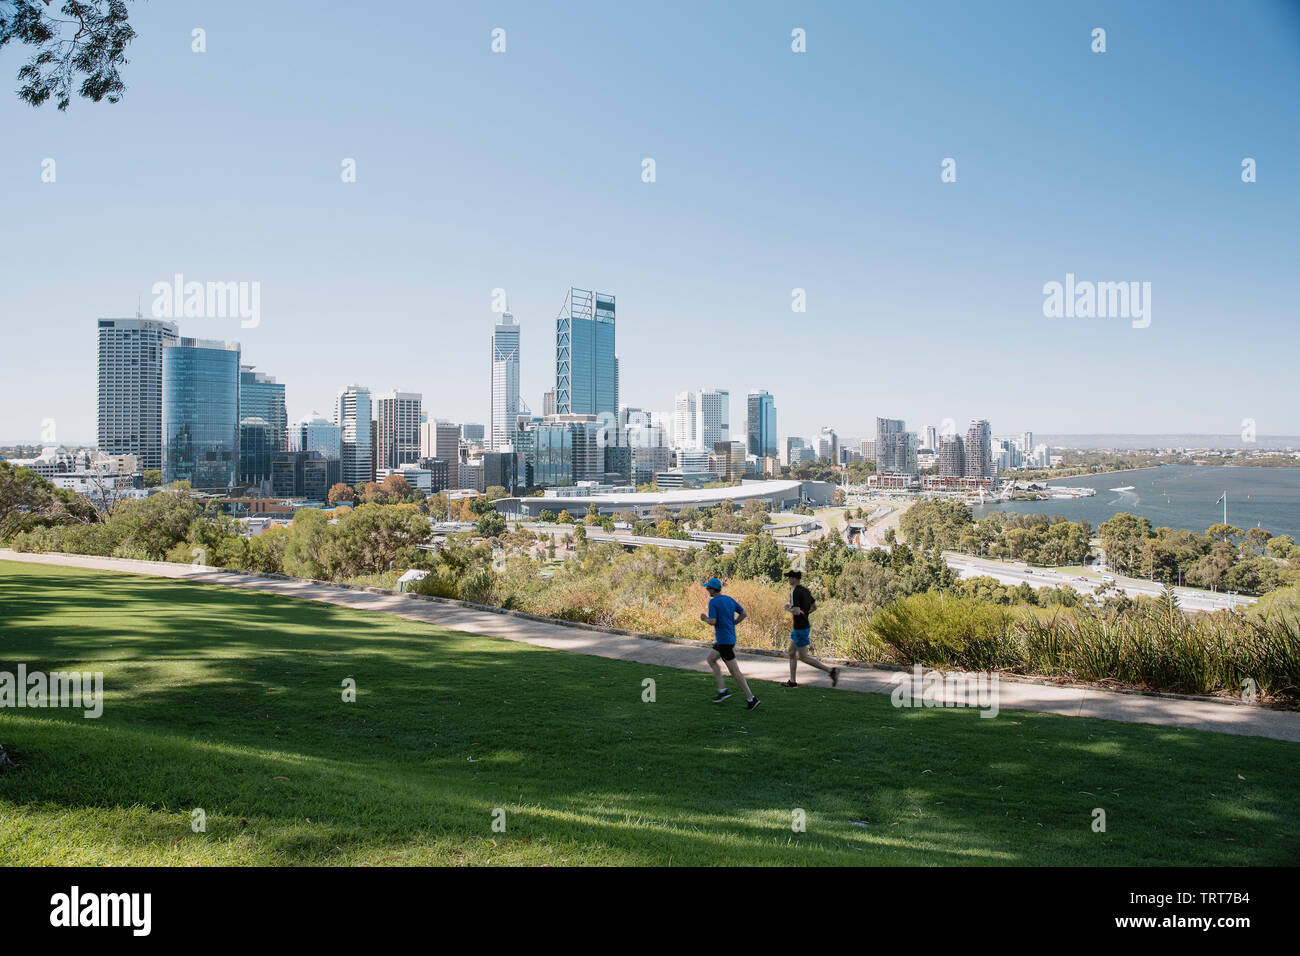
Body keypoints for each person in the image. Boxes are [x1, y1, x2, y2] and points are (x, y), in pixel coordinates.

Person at [699, 577, 760, 709]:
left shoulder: (713, 602)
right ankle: (723, 691)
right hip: (728, 639)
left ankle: (751, 699)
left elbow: (713, 621)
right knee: (711, 659)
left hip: (724, 641)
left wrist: (705, 618)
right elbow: (744, 613)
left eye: (708, 588)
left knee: (735, 672)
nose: (707, 590)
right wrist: (735, 622)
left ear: (713, 590)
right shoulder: (729, 599)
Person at [780, 569, 839, 688]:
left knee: (803, 657)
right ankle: (792, 681)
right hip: (802, 627)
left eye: (790, 577)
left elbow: (796, 612)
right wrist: (805, 614)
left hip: (800, 628)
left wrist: (787, 608)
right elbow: (814, 607)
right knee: (791, 652)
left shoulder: (795, 592)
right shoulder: (805, 591)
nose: (788, 579)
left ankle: (831, 671)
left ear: (795, 578)